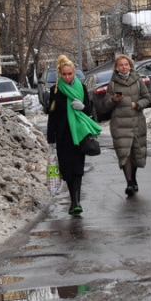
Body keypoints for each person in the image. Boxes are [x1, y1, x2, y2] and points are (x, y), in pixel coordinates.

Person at [47, 55, 101, 214]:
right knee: (67, 170)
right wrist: (51, 139)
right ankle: (73, 197)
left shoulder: (81, 88)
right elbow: (52, 116)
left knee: (77, 168)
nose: (68, 77)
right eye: (64, 74)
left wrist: (82, 107)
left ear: (74, 73)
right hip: (63, 135)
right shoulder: (55, 90)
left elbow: (90, 111)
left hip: (79, 134)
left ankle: (76, 202)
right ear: (60, 75)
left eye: (70, 74)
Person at [103, 54, 151, 196]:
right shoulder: (113, 83)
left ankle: (133, 178)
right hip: (120, 124)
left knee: (135, 153)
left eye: (126, 64)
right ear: (116, 67)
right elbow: (106, 104)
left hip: (136, 121)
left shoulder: (137, 80)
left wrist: (137, 104)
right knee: (124, 153)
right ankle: (129, 183)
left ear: (130, 65)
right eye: (121, 65)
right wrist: (114, 99)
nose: (124, 67)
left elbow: (148, 97)